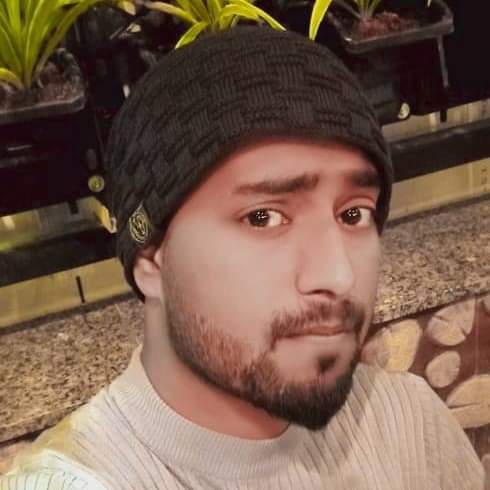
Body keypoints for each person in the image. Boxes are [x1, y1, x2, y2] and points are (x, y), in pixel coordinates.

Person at [1, 26, 485, 490]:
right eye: (263, 217)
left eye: (353, 214)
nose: (338, 274)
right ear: (150, 260)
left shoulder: (407, 424)